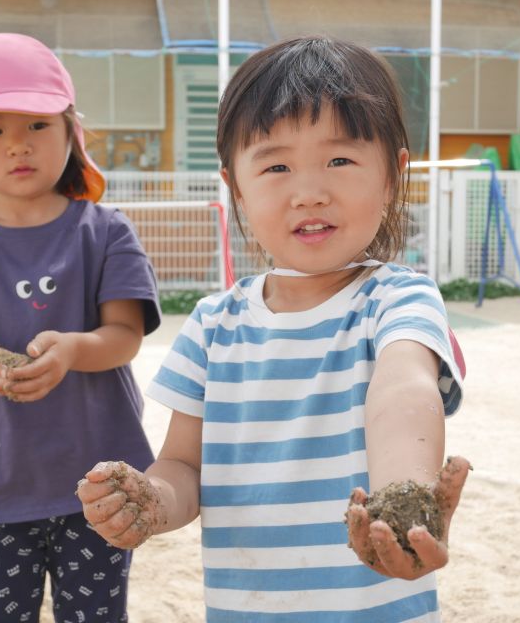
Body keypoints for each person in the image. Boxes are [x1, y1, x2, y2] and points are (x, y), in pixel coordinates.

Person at [77, 35, 470, 622]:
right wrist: (152, 504)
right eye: (276, 165)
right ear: (236, 185)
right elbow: (184, 466)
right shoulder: (214, 325)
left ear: (393, 175)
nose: (309, 192)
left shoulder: (396, 298)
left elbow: (404, 390)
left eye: (340, 159)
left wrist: (403, 501)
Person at [0, 33, 161, 622]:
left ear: (71, 132)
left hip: (97, 486)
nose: (17, 145)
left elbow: (124, 336)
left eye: (36, 124)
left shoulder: (105, 230)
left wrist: (69, 350)